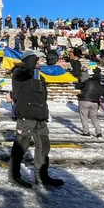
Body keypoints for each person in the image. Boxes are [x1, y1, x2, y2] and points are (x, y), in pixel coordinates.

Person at [9, 50, 63, 188]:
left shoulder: (40, 77)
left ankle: (41, 176)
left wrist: (46, 113)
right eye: (36, 61)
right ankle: (14, 176)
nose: (39, 63)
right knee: (21, 147)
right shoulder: (19, 74)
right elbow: (26, 67)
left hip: (40, 117)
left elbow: (42, 98)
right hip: (26, 117)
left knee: (44, 147)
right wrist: (33, 55)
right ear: (28, 61)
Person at [75, 67, 104, 138]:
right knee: (94, 117)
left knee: (84, 117)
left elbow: (77, 86)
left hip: (84, 100)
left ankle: (86, 132)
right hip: (94, 102)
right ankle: (99, 133)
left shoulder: (87, 82)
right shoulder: (100, 85)